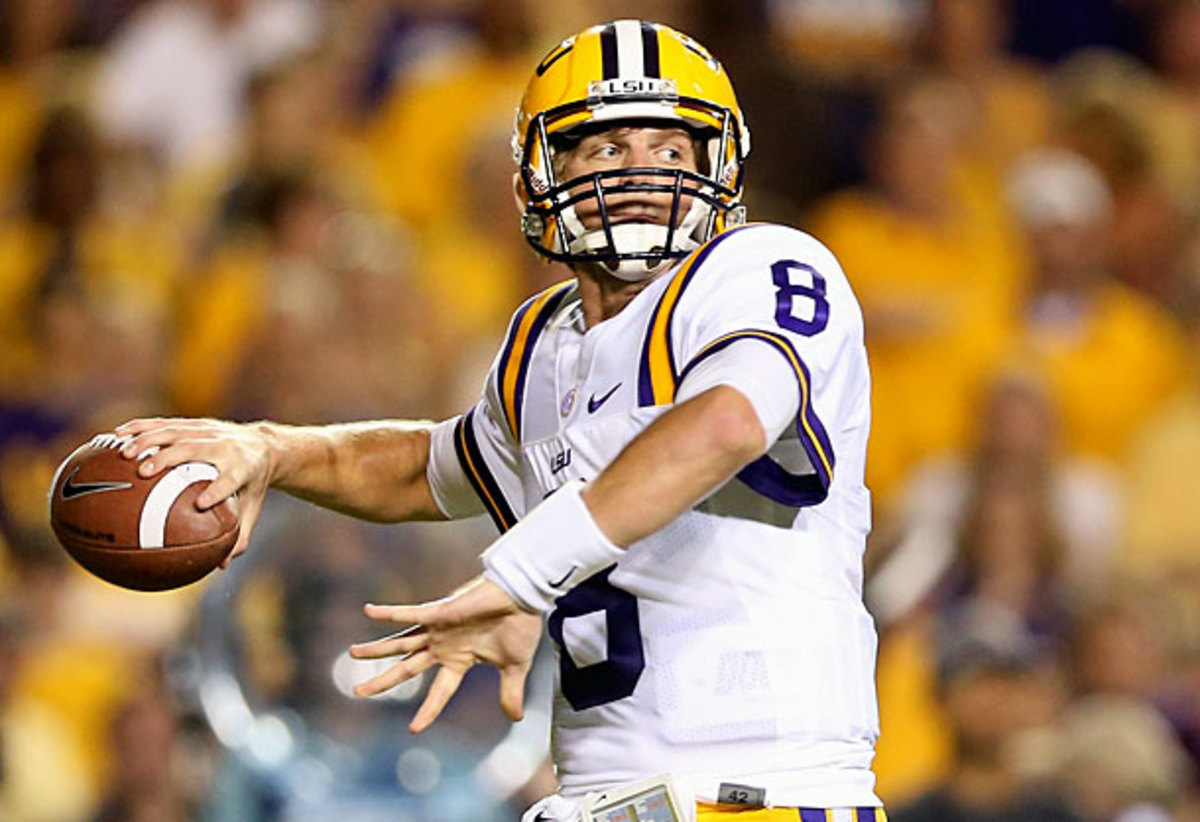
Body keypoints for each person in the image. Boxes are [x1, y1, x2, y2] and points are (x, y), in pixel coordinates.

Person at [117, 19, 882, 821]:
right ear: (537, 178)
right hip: (601, 801)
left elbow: (724, 426)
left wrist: (519, 576)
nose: (642, 174)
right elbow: (426, 467)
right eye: (607, 148)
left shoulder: (759, 270)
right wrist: (270, 449)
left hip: (768, 795)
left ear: (716, 166)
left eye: (670, 150)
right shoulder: (542, 346)